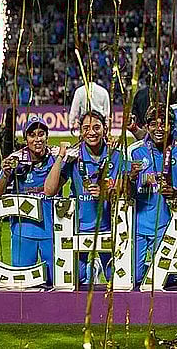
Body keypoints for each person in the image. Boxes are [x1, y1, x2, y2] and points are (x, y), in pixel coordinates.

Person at [44, 110, 124, 285]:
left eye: (96, 127)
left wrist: (106, 192)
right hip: (79, 228)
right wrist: (61, 157)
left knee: (115, 279)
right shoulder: (74, 156)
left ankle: (96, 267)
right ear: (80, 131)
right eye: (86, 128)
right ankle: (91, 269)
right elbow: (49, 190)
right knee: (76, 279)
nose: (91, 132)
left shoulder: (116, 155)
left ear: (105, 129)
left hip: (108, 227)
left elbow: (124, 190)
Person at [127, 106, 177, 286]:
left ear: (172, 126)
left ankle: (157, 269)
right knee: (134, 277)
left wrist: (176, 192)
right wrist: (131, 178)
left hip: (166, 223)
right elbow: (125, 191)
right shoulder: (134, 151)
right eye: (153, 124)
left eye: (164, 124)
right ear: (146, 126)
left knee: (165, 278)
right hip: (139, 223)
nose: (159, 129)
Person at [0, 117, 56, 285]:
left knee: (55, 284)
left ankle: (90, 269)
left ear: (47, 136)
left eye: (41, 134)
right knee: (22, 286)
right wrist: (5, 175)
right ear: (25, 138)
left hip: (51, 231)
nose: (37, 139)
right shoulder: (15, 160)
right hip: (23, 232)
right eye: (32, 135)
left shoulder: (56, 157)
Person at [69, 63, 112, 134]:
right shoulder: (103, 91)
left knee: (85, 139)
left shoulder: (80, 91)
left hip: (85, 121)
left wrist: (71, 124)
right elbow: (107, 112)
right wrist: (107, 126)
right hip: (99, 122)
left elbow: (74, 110)